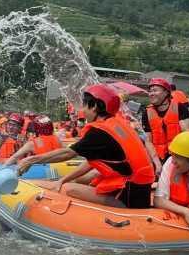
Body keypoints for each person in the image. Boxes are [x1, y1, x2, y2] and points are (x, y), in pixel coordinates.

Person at [18, 84, 155, 208]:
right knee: (79, 180)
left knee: (69, 189)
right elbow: (94, 163)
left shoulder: (99, 133)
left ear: (94, 106)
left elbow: (67, 154)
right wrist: (63, 179)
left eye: (84, 105)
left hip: (128, 195)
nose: (82, 110)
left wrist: (31, 160)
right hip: (138, 189)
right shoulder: (117, 123)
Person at [154, 132, 189, 234]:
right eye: (173, 155)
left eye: (178, 157)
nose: (173, 161)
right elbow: (158, 200)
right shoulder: (170, 163)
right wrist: (186, 212)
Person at [142, 78, 189, 176]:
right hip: (158, 157)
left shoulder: (180, 108)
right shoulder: (146, 113)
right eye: (150, 91)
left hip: (177, 156)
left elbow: (186, 133)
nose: (151, 93)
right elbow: (148, 141)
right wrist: (157, 164)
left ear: (166, 93)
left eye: (155, 90)